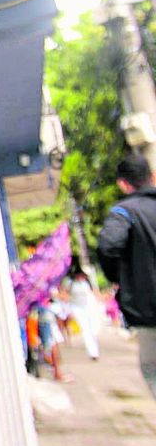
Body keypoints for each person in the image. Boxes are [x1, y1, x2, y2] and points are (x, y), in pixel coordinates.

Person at [97, 152, 156, 397]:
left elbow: (108, 246)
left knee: (152, 368)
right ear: (152, 177)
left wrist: (120, 280)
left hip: (150, 310)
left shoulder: (124, 212)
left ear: (123, 183)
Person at [68, 271, 101, 360]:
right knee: (85, 330)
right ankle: (93, 352)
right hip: (78, 308)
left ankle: (95, 350)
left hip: (89, 307)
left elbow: (96, 294)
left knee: (93, 330)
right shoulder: (72, 284)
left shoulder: (87, 284)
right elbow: (67, 295)